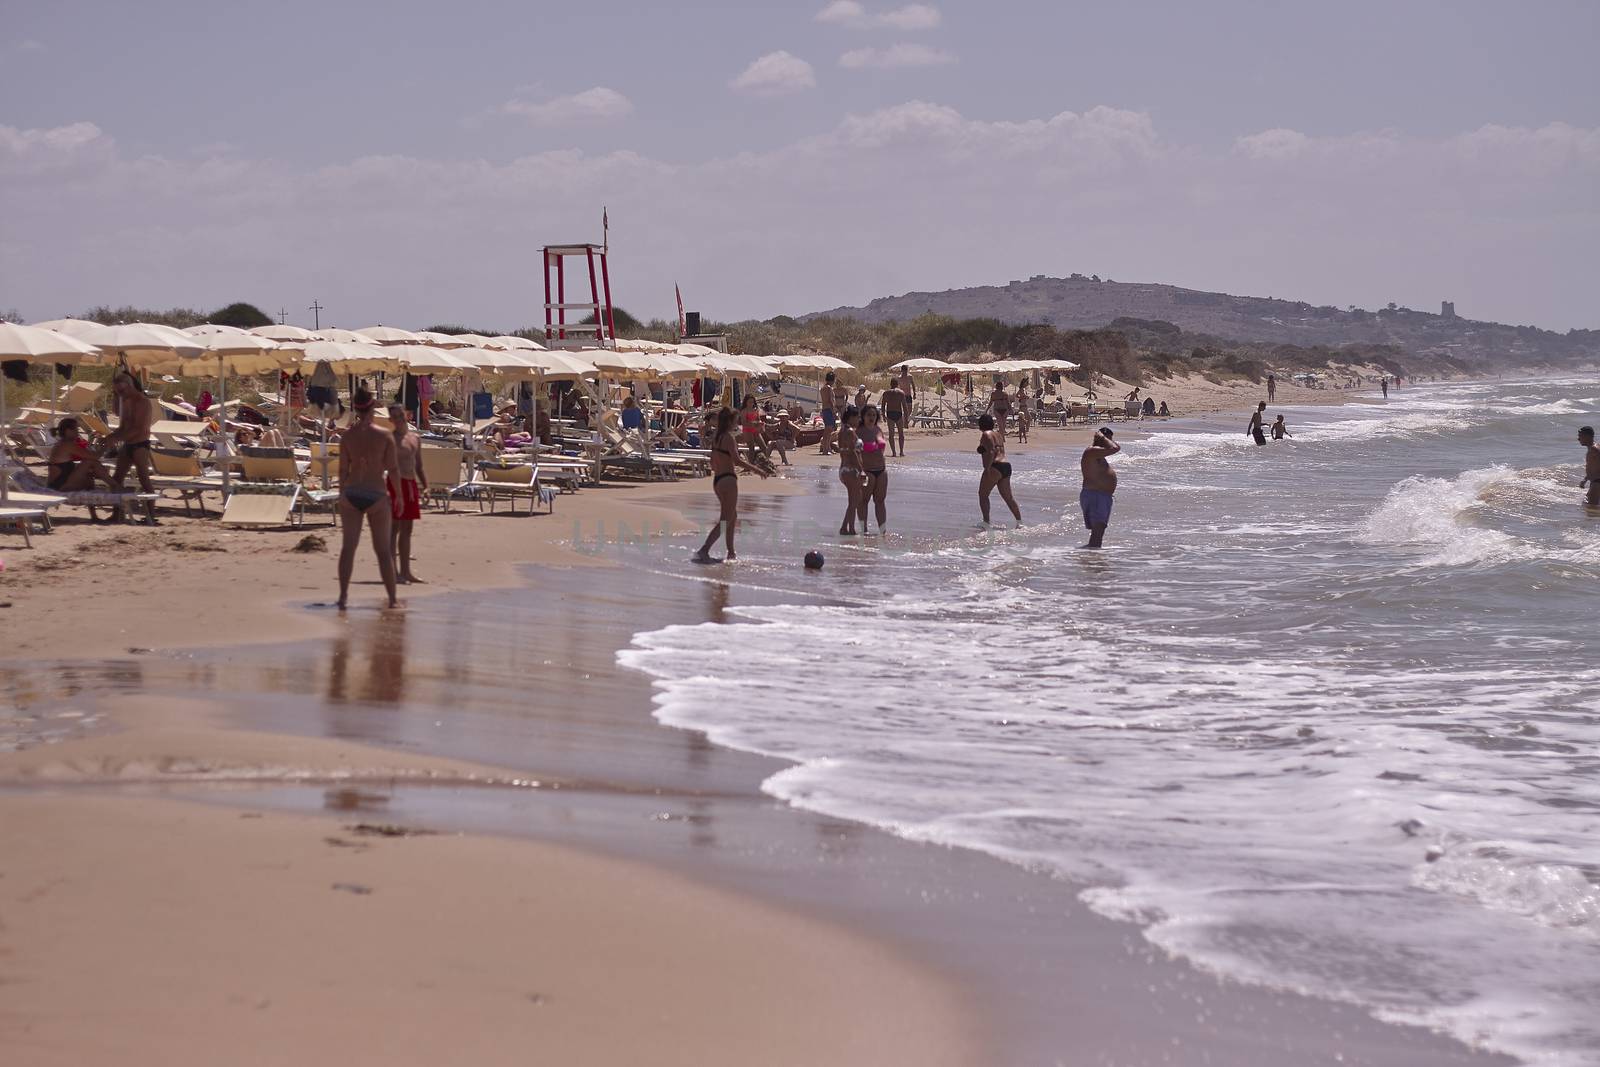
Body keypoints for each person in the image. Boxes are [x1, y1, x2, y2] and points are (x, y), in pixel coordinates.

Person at [336, 389, 400, 610]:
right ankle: (392, 600)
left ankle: (343, 597)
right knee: (383, 550)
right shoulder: (384, 435)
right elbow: (392, 470)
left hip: (352, 493)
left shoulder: (347, 436)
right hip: (376, 495)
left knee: (348, 548)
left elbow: (343, 470)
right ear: (373, 408)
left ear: (355, 409)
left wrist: (341, 493)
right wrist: (398, 496)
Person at [694, 407, 770, 563]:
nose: (737, 423)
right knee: (726, 518)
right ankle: (704, 550)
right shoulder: (728, 438)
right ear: (729, 422)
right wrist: (757, 469)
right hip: (728, 480)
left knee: (732, 516)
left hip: (718, 480)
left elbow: (713, 462)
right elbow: (737, 460)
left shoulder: (717, 437)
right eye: (735, 421)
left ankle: (731, 552)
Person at [387, 403, 427, 585]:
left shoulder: (414, 438)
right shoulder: (389, 439)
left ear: (406, 414)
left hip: (411, 485)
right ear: (390, 420)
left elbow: (418, 465)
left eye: (400, 415)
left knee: (407, 530)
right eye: (394, 416)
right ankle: (393, 572)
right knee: (393, 529)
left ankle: (406, 571)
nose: (398, 418)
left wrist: (425, 486)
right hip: (395, 485)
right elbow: (382, 466)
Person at [103, 370, 156, 496]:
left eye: (121, 391)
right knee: (117, 479)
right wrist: (111, 436)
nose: (119, 394)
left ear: (130, 386)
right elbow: (123, 426)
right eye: (116, 392)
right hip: (128, 444)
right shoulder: (126, 401)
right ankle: (117, 514)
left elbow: (138, 428)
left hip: (140, 444)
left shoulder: (142, 402)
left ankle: (151, 514)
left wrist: (116, 438)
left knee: (143, 479)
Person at [46, 417, 116, 491]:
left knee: (89, 476)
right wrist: (106, 446)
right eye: (76, 430)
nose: (77, 433)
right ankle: (115, 486)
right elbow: (95, 456)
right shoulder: (67, 445)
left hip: (56, 484)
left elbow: (86, 454)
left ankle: (114, 486)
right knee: (90, 462)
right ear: (68, 431)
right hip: (60, 486)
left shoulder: (62, 443)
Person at [976, 413, 1021, 525]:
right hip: (1006, 466)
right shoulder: (998, 434)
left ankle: (986, 522)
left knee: (983, 495)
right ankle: (1019, 522)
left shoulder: (986, 434)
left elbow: (991, 451)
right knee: (1008, 498)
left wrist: (987, 468)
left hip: (995, 466)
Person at [1079, 427, 1120, 549]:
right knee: (1098, 532)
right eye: (1110, 439)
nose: (1111, 442)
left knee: (1099, 532)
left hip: (1100, 496)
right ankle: (1092, 562)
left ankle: (1091, 559)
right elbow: (1115, 448)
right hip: (1095, 495)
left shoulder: (1099, 454)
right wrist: (1102, 437)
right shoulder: (1091, 451)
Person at [858, 404, 890, 533]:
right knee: (864, 501)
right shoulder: (859, 431)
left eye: (874, 415)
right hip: (867, 470)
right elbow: (854, 451)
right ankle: (863, 529)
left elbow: (881, 446)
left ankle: (883, 530)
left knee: (880, 501)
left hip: (881, 469)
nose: (871, 417)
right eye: (869, 415)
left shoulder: (878, 429)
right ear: (863, 416)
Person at [836, 406, 866, 535]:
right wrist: (861, 470)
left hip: (844, 468)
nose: (859, 420)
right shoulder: (850, 432)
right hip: (851, 469)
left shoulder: (842, 431)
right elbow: (853, 452)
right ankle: (847, 528)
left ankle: (848, 527)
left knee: (855, 499)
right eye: (857, 417)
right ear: (851, 417)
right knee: (854, 500)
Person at [881, 376, 908, 457]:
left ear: (890, 384)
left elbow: (883, 405)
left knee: (891, 434)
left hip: (890, 413)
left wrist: (883, 415)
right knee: (901, 434)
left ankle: (894, 452)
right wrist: (906, 418)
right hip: (898, 413)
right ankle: (901, 451)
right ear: (897, 384)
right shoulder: (901, 393)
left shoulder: (886, 393)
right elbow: (904, 406)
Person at [1579, 426, 1600, 507]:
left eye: (1580, 436)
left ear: (1587, 436)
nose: (1578, 439)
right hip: (1595, 482)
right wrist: (1585, 479)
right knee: (1587, 506)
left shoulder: (1595, 449)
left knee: (1591, 509)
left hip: (1597, 483)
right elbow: (1593, 468)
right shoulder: (1592, 449)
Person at [818, 371, 838, 454]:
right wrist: (833, 411)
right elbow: (830, 400)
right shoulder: (829, 388)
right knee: (828, 430)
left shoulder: (823, 388)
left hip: (825, 409)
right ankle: (825, 449)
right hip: (829, 410)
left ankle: (828, 448)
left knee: (828, 430)